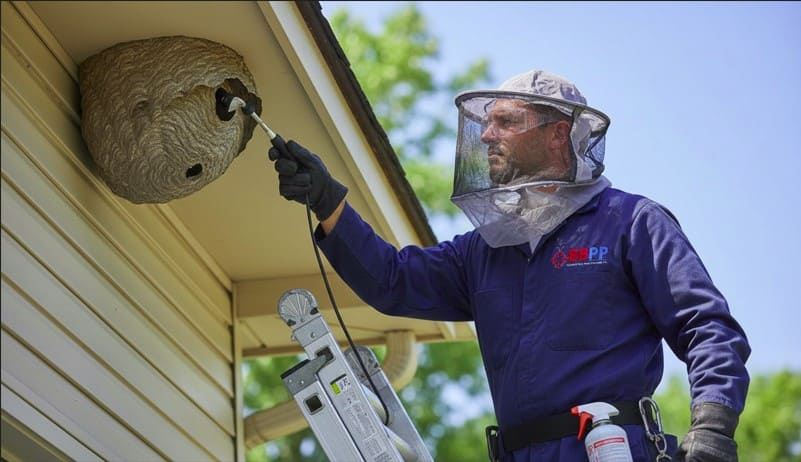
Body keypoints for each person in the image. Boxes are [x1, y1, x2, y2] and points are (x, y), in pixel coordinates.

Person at [269, 70, 751, 462]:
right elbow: (393, 281)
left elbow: (708, 328)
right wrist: (327, 201)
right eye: (486, 123)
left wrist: (712, 430)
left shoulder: (631, 222)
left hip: (609, 449)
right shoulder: (486, 250)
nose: (486, 135)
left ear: (557, 134)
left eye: (505, 122)